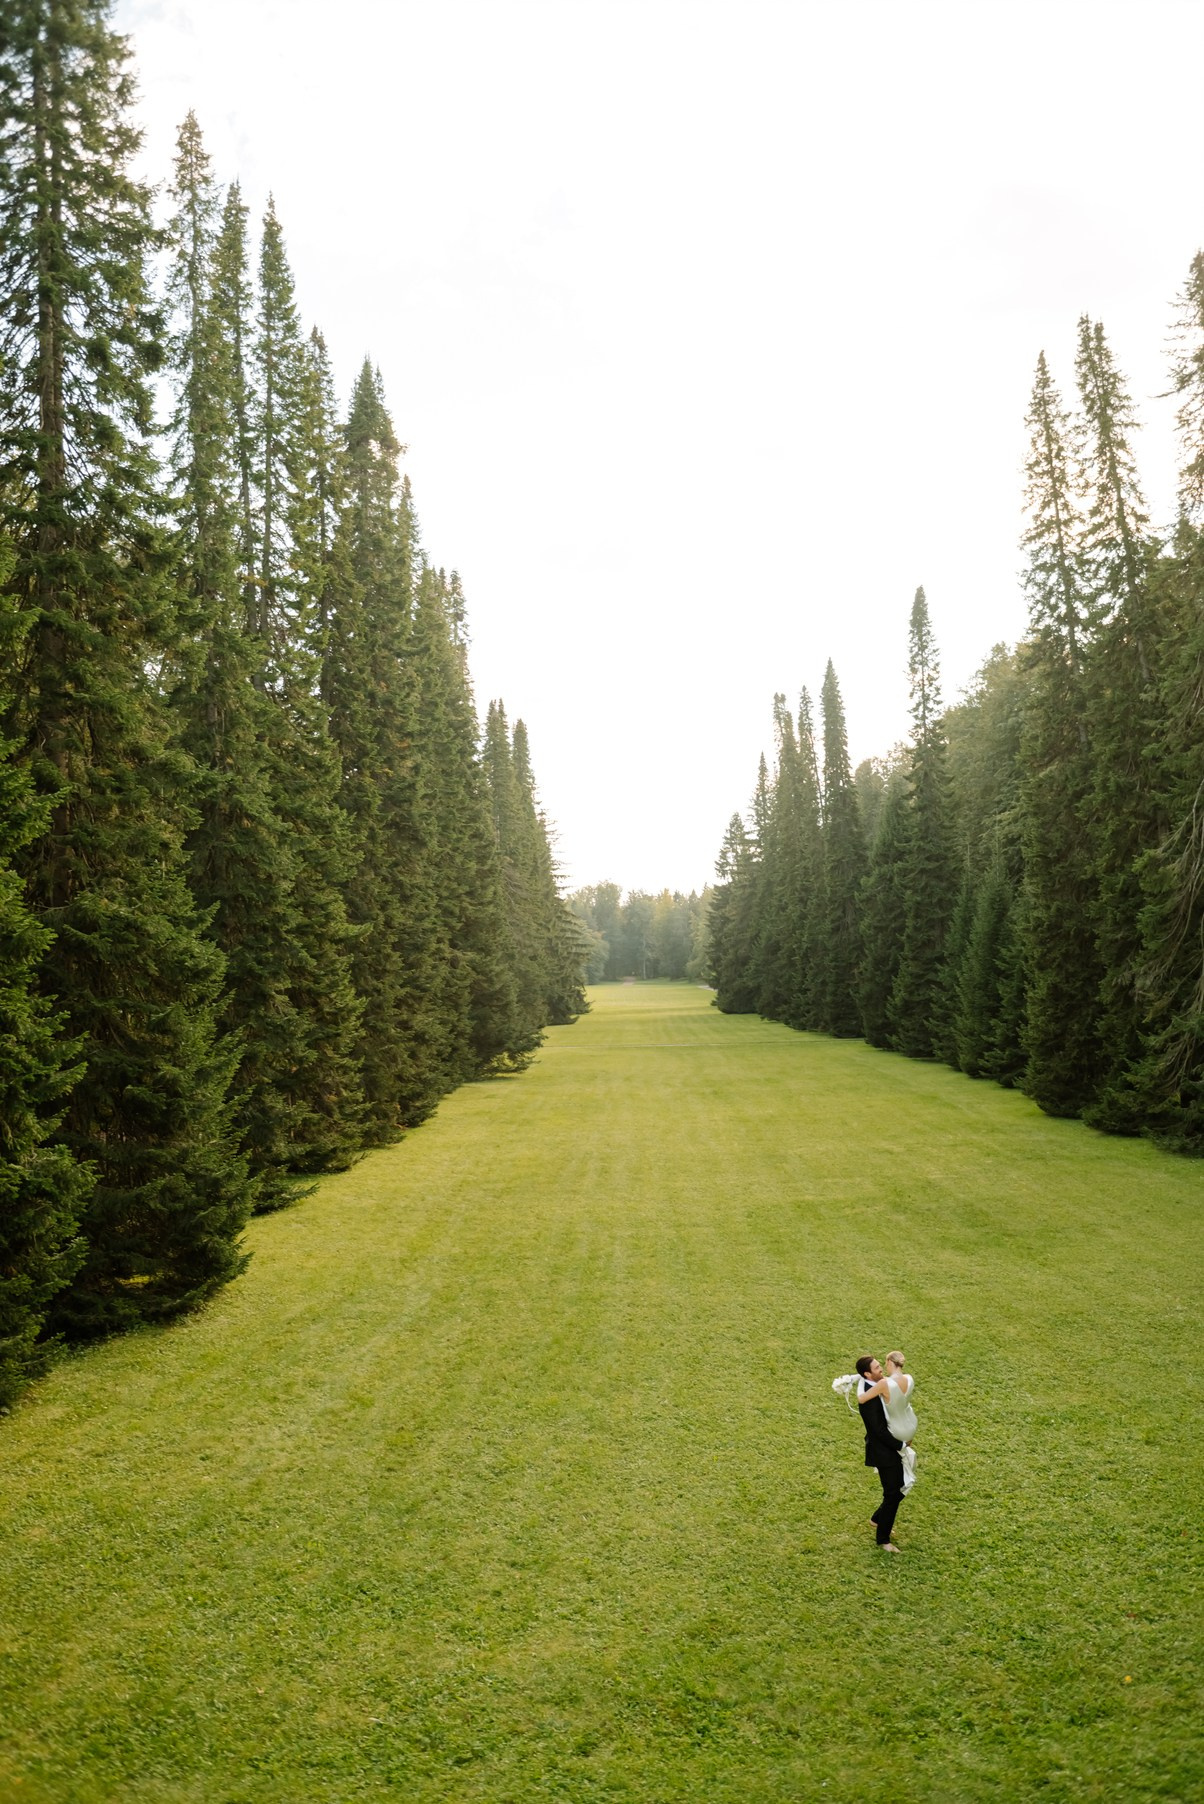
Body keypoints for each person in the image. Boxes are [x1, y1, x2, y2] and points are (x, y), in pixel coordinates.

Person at [855, 1355, 905, 1551]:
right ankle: (883, 1539)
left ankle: (878, 1519)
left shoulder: (875, 1386)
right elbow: (878, 1430)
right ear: (867, 1374)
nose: (880, 1370)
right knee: (893, 1491)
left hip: (887, 1448)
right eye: (877, 1368)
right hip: (883, 1451)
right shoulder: (867, 1398)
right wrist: (900, 1445)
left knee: (897, 1488)